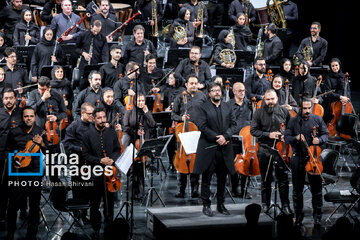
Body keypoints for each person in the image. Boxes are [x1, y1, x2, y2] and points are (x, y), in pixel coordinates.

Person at [193, 82, 238, 216]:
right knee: (206, 178)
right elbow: (202, 126)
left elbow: (234, 124)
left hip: (224, 148)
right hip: (209, 147)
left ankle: (221, 204)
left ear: (221, 92)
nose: (216, 93)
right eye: (213, 90)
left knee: (222, 179)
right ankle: (206, 205)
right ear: (209, 93)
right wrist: (217, 137)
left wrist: (225, 136)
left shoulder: (227, 106)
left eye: (218, 90)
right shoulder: (203, 107)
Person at [284, 98, 329, 227]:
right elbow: (286, 138)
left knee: (317, 190)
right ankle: (298, 216)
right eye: (305, 108)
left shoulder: (317, 119)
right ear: (299, 108)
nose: (307, 111)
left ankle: (317, 217)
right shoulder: (293, 121)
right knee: (297, 191)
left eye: (309, 108)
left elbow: (326, 134)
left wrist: (319, 140)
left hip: (314, 159)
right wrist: (295, 138)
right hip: (298, 157)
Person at [6, 106, 49, 240]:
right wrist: (14, 158)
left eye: (31, 116)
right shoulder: (14, 132)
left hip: (35, 172)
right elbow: (7, 151)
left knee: (34, 206)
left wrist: (42, 144)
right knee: (13, 205)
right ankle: (10, 232)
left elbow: (49, 151)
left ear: (34, 117)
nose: (28, 118)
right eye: (26, 116)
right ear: (22, 118)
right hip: (18, 173)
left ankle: (32, 234)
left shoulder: (40, 132)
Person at [250, 89, 292, 215]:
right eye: (267, 99)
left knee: (283, 179)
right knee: (265, 179)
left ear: (277, 99)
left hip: (281, 150)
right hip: (264, 149)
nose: (270, 102)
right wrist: (269, 134)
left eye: (272, 99)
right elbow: (253, 131)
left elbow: (291, 128)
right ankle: (265, 204)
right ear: (264, 100)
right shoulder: (258, 113)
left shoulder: (285, 111)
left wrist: (285, 134)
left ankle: (285, 205)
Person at [82, 107, 121, 239]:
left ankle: (109, 226)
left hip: (111, 173)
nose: (102, 120)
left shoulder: (111, 132)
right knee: (95, 203)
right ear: (93, 119)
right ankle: (96, 228)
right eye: (99, 118)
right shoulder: (87, 134)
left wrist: (112, 159)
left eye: (104, 117)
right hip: (95, 174)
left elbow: (117, 149)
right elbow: (85, 154)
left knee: (109, 202)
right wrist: (100, 160)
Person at [171, 74, 206, 198]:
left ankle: (195, 189)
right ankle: (181, 189)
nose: (194, 85)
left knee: (196, 161)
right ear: (186, 85)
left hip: (198, 133)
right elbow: (173, 114)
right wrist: (181, 118)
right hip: (183, 134)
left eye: (196, 83)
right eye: (191, 83)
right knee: (182, 159)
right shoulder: (180, 97)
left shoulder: (203, 96)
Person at [62, 102, 95, 224]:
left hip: (91, 162)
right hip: (78, 162)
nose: (92, 116)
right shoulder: (73, 126)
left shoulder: (93, 125)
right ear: (82, 113)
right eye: (90, 114)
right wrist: (80, 149)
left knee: (89, 189)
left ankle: (85, 214)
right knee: (78, 188)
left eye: (93, 113)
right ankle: (77, 215)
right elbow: (66, 144)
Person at [123, 94, 156, 199]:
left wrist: (147, 113)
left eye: (142, 101)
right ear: (134, 101)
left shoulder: (146, 112)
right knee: (132, 170)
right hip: (131, 143)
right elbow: (125, 127)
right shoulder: (129, 112)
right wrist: (135, 132)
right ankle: (132, 192)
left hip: (143, 143)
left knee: (141, 169)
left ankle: (141, 193)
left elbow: (152, 124)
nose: (141, 103)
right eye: (139, 101)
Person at [0, 88, 23, 225]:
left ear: (15, 99)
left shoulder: (22, 113)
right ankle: (2, 212)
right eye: (6, 98)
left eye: (11, 98)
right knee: (2, 187)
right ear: (3, 99)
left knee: (19, 186)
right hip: (1, 155)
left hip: (19, 156)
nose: (8, 100)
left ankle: (22, 211)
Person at [228, 82, 252, 199]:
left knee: (246, 163)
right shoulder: (228, 105)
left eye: (243, 90)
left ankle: (244, 189)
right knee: (233, 164)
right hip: (234, 138)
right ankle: (234, 188)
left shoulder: (249, 104)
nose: (242, 92)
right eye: (239, 90)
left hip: (247, 138)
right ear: (234, 91)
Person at [76, 19, 109, 90]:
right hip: (84, 65)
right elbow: (76, 49)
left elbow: (105, 53)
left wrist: (104, 65)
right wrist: (83, 53)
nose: (96, 33)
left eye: (98, 31)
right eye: (94, 31)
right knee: (82, 85)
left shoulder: (102, 38)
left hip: (96, 65)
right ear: (91, 27)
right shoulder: (83, 35)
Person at [322, 58, 350, 124]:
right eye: (333, 66)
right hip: (332, 101)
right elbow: (329, 93)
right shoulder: (328, 77)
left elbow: (348, 90)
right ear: (330, 67)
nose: (335, 67)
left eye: (336, 65)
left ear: (339, 65)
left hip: (343, 101)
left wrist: (346, 99)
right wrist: (340, 97)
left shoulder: (344, 76)